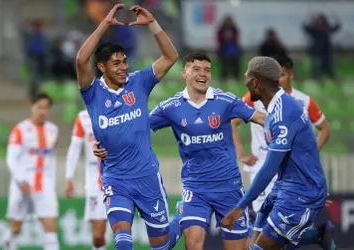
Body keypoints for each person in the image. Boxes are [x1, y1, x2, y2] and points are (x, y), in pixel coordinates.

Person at [93, 52, 265, 250]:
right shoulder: (171, 107)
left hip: (228, 187)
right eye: (197, 69)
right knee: (192, 243)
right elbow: (134, 126)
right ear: (184, 73)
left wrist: (288, 124)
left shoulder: (226, 101)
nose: (203, 74)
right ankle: (182, 214)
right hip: (195, 187)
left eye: (207, 70)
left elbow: (259, 117)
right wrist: (101, 142)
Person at [76, 3, 178, 250]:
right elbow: (81, 59)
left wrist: (153, 24)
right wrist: (104, 25)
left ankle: (181, 218)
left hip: (147, 177)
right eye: (116, 63)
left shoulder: (139, 82)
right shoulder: (92, 92)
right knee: (122, 234)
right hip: (115, 178)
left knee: (162, 244)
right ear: (102, 68)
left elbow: (170, 57)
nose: (123, 67)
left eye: (124, 61)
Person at [221, 57, 328, 250]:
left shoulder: (282, 114)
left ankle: (318, 235)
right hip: (285, 186)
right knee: (258, 238)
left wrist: (240, 207)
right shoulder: (276, 107)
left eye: (247, 76)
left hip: (300, 193)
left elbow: (268, 169)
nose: (244, 80)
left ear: (255, 83)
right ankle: (319, 235)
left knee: (262, 247)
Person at [4, 93, 59, 250]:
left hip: (44, 182)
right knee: (16, 226)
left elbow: (51, 160)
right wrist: (21, 179)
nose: (42, 111)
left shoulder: (53, 130)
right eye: (39, 107)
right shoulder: (20, 130)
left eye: (46, 108)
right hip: (22, 182)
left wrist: (52, 183)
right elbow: (11, 158)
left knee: (50, 224)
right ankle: (9, 241)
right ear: (32, 107)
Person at [65, 110, 108, 250]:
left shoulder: (117, 109)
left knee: (121, 230)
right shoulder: (83, 117)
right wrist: (69, 177)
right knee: (97, 236)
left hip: (118, 178)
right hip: (95, 183)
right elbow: (74, 147)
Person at [216, 15, 241, 81]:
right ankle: (224, 77)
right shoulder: (221, 30)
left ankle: (236, 76)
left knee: (235, 64)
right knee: (224, 64)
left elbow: (236, 38)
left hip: (233, 49)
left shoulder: (234, 29)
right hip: (224, 49)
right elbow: (218, 38)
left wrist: (230, 38)